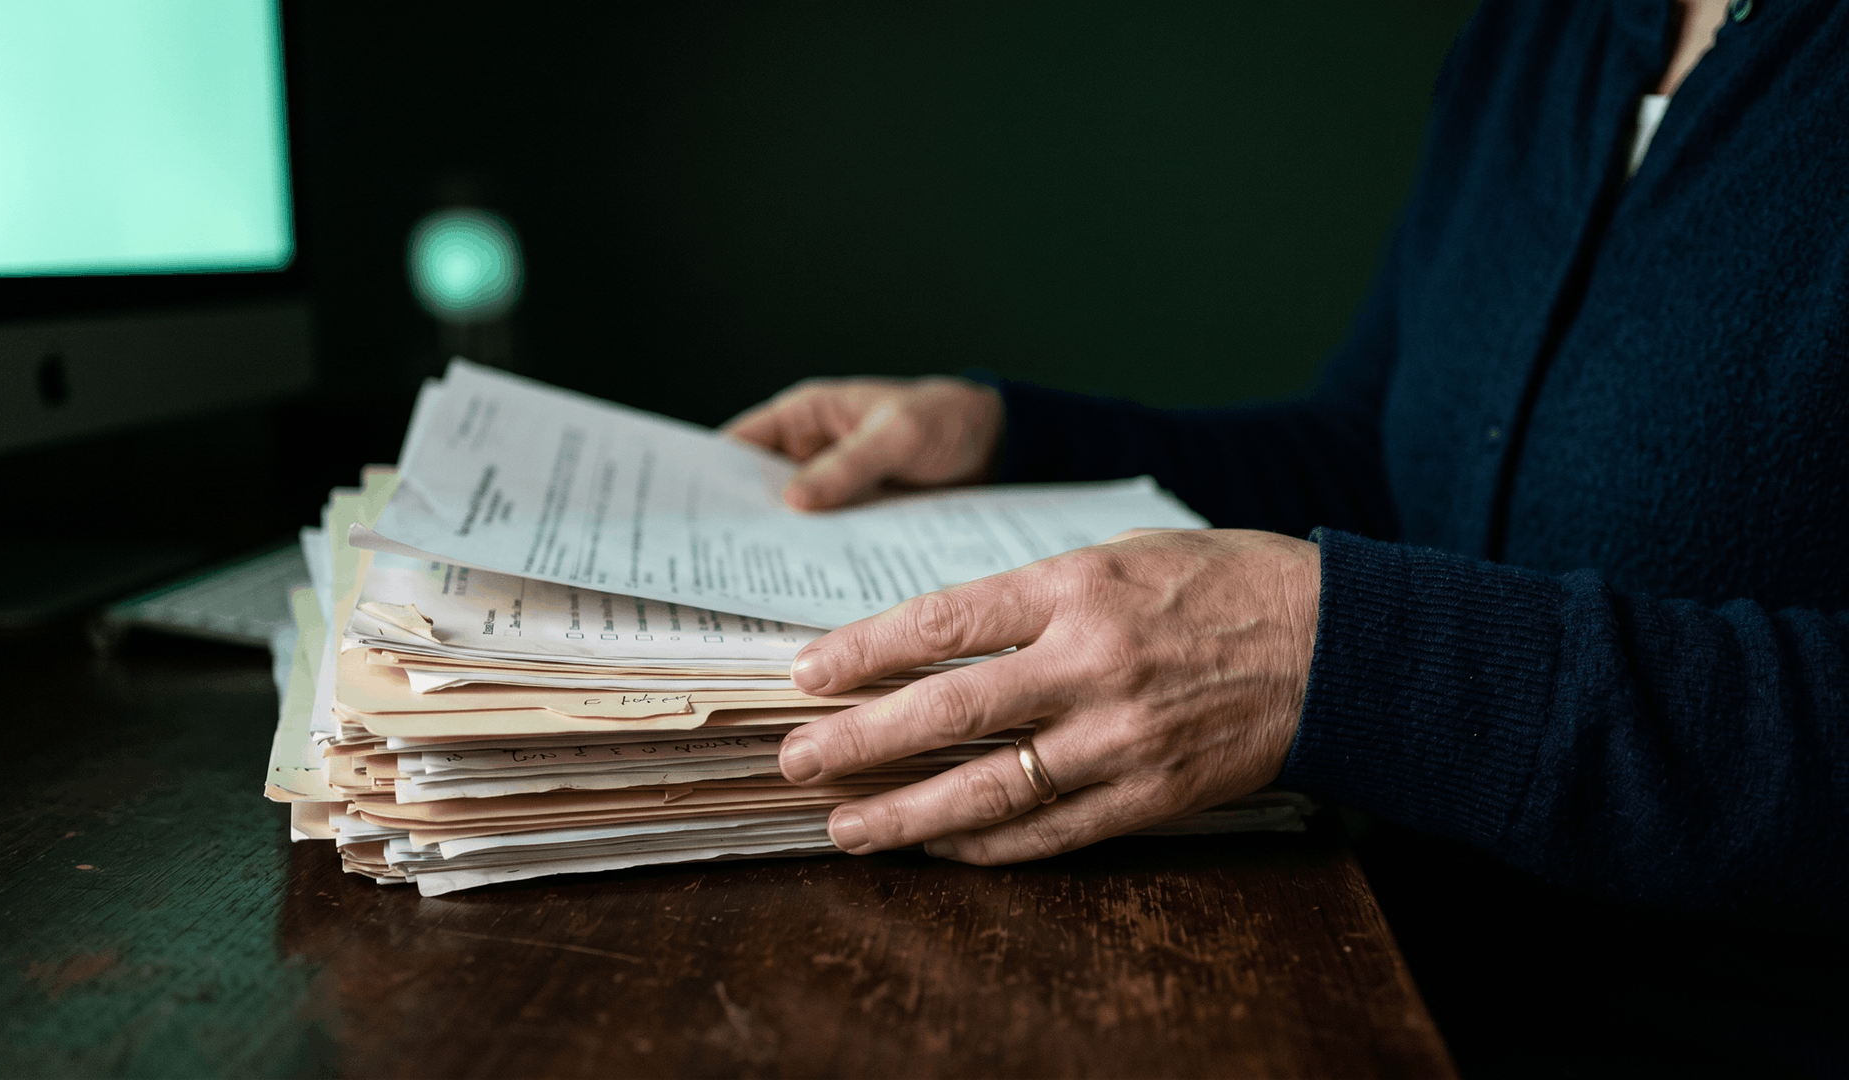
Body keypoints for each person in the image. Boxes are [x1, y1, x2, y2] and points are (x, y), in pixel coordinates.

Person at [724, 0, 1848, 929]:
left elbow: (1352, 623)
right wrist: (1016, 445)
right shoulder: (1537, 34)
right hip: (1396, 959)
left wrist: (1346, 662)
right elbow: (1382, 468)